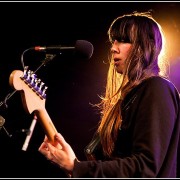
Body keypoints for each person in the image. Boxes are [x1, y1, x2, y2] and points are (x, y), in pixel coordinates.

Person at [38, 11, 180, 178]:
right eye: (113, 41)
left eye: (123, 40)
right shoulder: (128, 99)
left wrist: (76, 167)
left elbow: (145, 167)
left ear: (144, 45)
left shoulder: (157, 88)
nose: (113, 48)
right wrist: (71, 164)